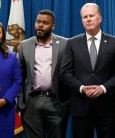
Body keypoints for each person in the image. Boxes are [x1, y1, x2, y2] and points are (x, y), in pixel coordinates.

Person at [60, 3, 115, 138]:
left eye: (91, 16)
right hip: (81, 107)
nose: (88, 19)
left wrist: (103, 88)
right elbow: (65, 73)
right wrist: (81, 88)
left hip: (107, 108)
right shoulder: (72, 43)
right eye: (85, 17)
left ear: (100, 18)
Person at [17, 10, 69, 138]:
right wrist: (21, 100)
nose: (40, 25)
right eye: (38, 22)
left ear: (53, 26)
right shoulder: (24, 45)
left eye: (45, 23)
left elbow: (70, 73)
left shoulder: (65, 44)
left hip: (57, 102)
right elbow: (19, 76)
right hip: (32, 102)